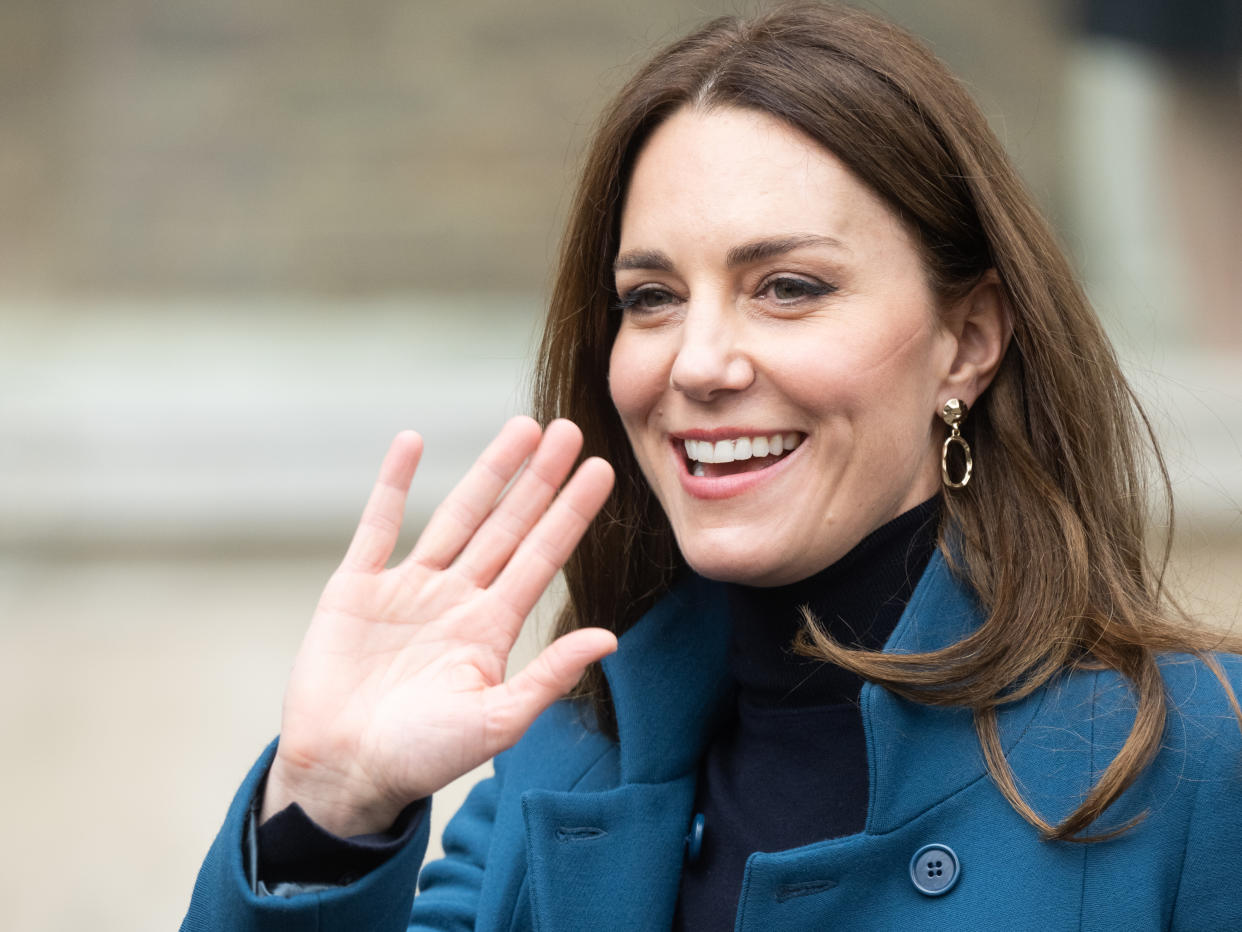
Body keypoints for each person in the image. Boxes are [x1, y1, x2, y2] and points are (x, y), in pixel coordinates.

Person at [181, 3, 1242, 929]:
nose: (697, 362)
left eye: (786, 285)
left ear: (965, 342)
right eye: (652, 297)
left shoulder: (1192, 757)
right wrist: (329, 810)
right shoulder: (563, 766)